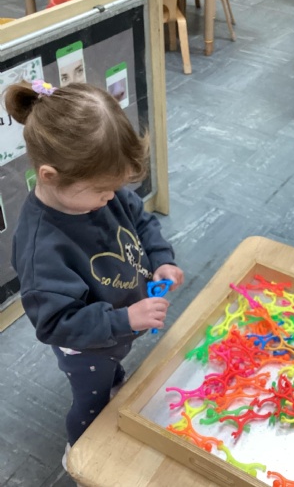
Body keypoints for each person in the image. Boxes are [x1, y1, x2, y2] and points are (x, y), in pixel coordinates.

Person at [4, 79, 184, 468]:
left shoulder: (101, 190)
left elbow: (140, 220)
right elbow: (56, 323)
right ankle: (81, 457)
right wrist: (125, 319)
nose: (111, 198)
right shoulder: (42, 248)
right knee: (91, 403)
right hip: (86, 346)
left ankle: (114, 378)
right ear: (50, 176)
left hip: (117, 326)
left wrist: (160, 258)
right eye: (103, 191)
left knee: (112, 378)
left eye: (115, 188)